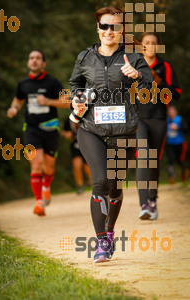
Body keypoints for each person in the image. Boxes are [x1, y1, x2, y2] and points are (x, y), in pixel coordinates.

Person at [69, 6, 152, 263]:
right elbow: (75, 85)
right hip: (90, 128)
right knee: (101, 181)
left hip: (123, 131)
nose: (109, 31)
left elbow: (149, 88)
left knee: (115, 187)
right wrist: (76, 100)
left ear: (121, 30)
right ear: (98, 28)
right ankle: (102, 242)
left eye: (114, 26)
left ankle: (110, 230)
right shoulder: (85, 57)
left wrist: (136, 75)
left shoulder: (134, 58)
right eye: (104, 26)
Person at [7, 50, 69, 216]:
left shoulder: (52, 82)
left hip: (50, 128)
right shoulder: (23, 83)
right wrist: (14, 108)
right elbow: (18, 99)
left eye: (38, 58)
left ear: (43, 63)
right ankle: (39, 202)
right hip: (31, 129)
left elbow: (67, 102)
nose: (34, 61)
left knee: (49, 167)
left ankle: (46, 186)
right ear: (28, 62)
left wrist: (48, 101)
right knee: (36, 164)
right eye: (31, 58)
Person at [137, 33, 182, 220]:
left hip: (158, 118)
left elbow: (176, 94)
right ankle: (144, 205)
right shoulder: (133, 64)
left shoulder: (165, 66)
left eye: (154, 43)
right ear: (141, 46)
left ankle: (152, 200)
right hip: (137, 118)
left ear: (158, 46)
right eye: (146, 43)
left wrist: (159, 82)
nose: (150, 46)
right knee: (143, 156)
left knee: (153, 161)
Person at [61, 118, 91, 194]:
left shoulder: (86, 117)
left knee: (88, 167)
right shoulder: (68, 120)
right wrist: (66, 134)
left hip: (87, 145)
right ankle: (80, 186)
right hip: (75, 146)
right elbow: (63, 131)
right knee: (76, 166)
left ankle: (91, 180)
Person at [166, 105, 188, 183]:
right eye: (170, 111)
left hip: (180, 143)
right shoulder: (167, 120)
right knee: (170, 160)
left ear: (176, 112)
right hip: (170, 144)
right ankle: (172, 177)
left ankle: (184, 174)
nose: (171, 112)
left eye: (172, 110)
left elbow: (186, 129)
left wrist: (178, 128)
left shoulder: (180, 119)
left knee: (180, 160)